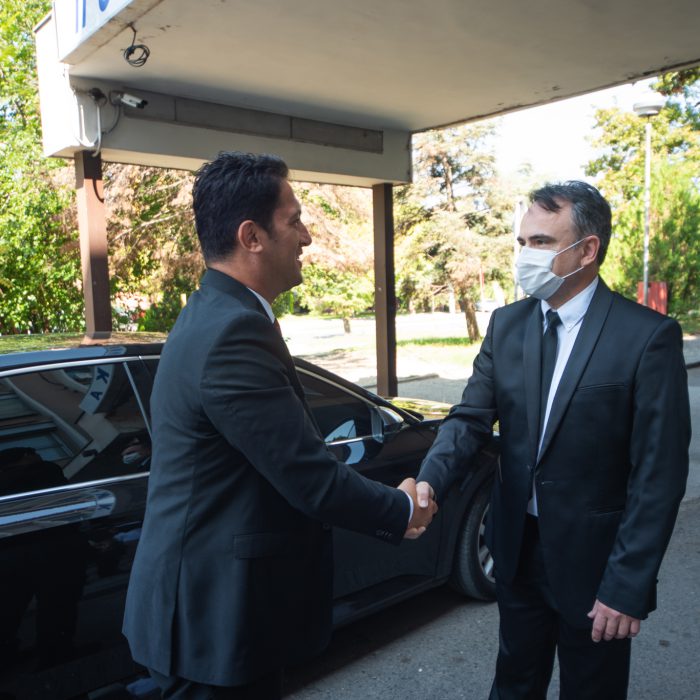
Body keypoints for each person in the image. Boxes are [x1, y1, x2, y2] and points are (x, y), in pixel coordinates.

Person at [122, 151, 436, 699]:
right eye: (294, 221)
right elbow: (308, 478)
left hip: (214, 617)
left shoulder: (216, 314)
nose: (307, 237)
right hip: (213, 626)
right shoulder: (233, 333)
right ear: (252, 237)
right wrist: (402, 510)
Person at [415, 181, 690, 699]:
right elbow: (470, 418)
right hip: (516, 548)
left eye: (541, 242)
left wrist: (627, 585)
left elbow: (659, 475)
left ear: (587, 250)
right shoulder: (508, 324)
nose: (525, 255)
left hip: (597, 564)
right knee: (514, 681)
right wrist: (429, 481)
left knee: (592, 688)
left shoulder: (647, 336)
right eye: (522, 242)